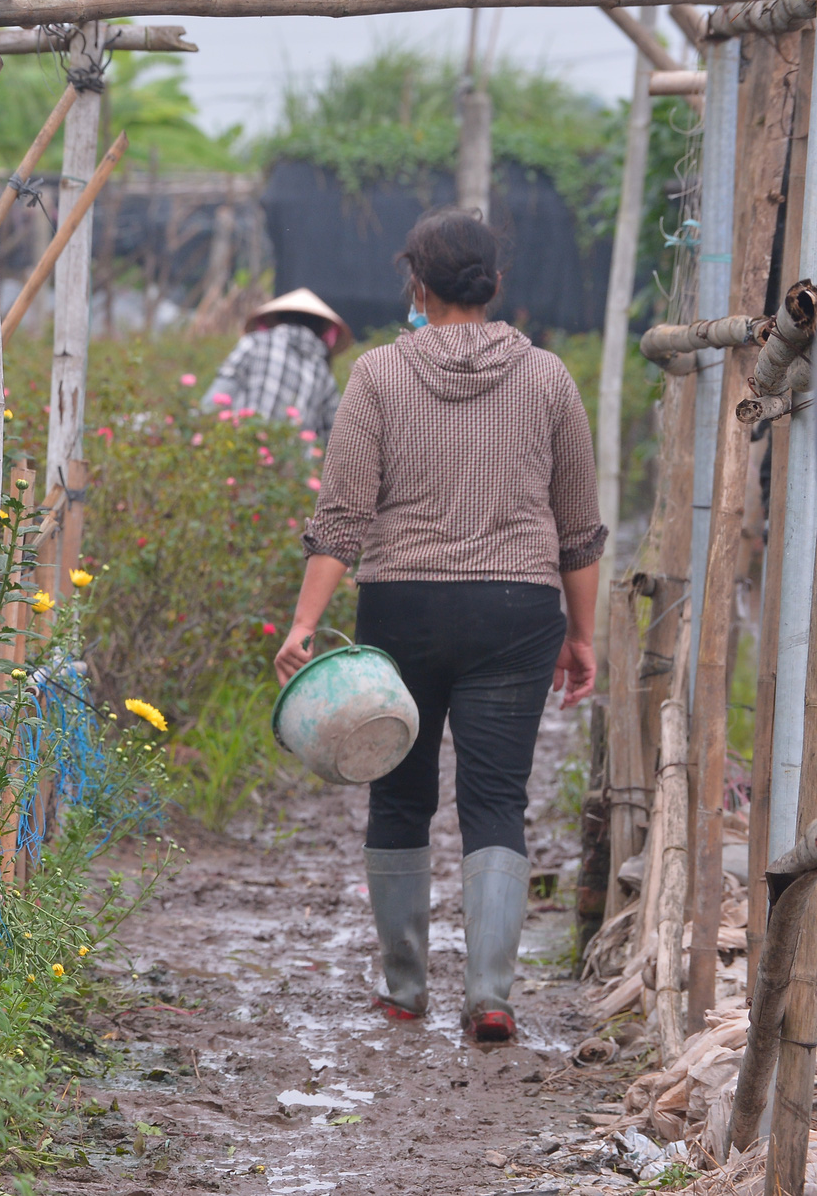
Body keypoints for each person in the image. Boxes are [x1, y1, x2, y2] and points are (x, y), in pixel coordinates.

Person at [271, 210, 602, 1043]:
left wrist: (305, 623)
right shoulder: (551, 379)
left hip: (403, 606)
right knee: (497, 799)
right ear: (495, 285)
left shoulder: (378, 376)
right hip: (518, 609)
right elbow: (580, 528)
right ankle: (490, 995)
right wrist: (583, 634)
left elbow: (342, 516)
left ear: (416, 284)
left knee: (400, 789)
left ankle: (405, 988)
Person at [200, 288, 354, 438]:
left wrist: (196, 430)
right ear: (322, 328)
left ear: (278, 318)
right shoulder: (323, 372)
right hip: (291, 461)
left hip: (242, 449)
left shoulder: (254, 343)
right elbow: (333, 435)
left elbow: (219, 395)